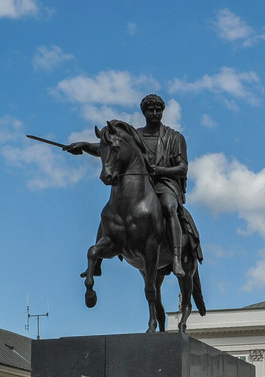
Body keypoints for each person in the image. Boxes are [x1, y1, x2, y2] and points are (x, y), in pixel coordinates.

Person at [64, 94, 190, 277]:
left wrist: (159, 170)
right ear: (143, 112)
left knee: (169, 206)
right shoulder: (135, 136)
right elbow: (108, 147)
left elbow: (182, 168)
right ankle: (97, 261)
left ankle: (177, 257)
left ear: (163, 111)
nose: (155, 113)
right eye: (150, 110)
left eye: (158, 110)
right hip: (138, 187)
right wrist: (83, 146)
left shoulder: (175, 138)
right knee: (109, 212)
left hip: (164, 184)